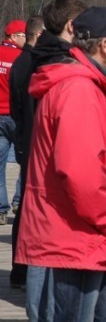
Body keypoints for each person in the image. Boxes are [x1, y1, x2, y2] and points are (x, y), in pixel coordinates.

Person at [15, 6, 106, 321]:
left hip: (92, 238)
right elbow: (79, 173)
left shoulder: (84, 84)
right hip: (80, 237)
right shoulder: (79, 89)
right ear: (103, 45)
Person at [8, 14, 44, 290]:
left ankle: (19, 271)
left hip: (23, 138)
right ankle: (25, 272)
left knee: (25, 210)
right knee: (31, 211)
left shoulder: (20, 63)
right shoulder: (32, 64)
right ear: (39, 35)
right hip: (32, 141)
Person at [0, 19, 26, 226]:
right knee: (24, 161)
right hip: (16, 116)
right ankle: (19, 201)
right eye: (24, 35)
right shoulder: (21, 58)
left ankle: (0, 210)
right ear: (14, 36)